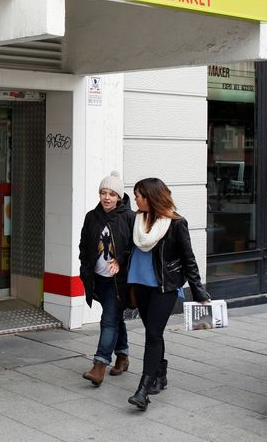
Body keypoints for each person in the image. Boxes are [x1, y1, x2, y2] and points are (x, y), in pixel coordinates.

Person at [127, 177, 211, 411]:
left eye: (139, 195)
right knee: (153, 332)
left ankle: (143, 389)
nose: (135, 199)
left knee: (153, 334)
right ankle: (160, 373)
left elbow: (189, 259)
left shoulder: (176, 223)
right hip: (139, 284)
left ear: (150, 198)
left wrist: (198, 291)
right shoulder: (136, 220)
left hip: (165, 287)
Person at [78, 171, 136, 387]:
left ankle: (99, 365)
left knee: (109, 319)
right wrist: (85, 267)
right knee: (114, 316)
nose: (107, 197)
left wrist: (120, 260)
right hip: (97, 278)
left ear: (120, 197)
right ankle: (123, 355)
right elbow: (84, 245)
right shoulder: (92, 216)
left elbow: (135, 248)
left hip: (118, 281)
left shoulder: (129, 217)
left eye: (112, 194)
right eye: (103, 192)